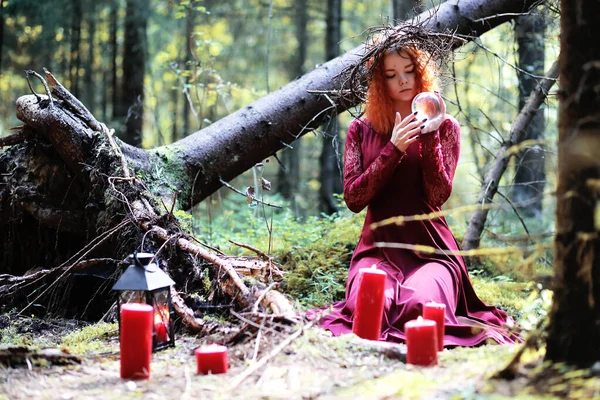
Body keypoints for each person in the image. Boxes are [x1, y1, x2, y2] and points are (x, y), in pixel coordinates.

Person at [317, 44, 520, 346]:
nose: (403, 80)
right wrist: (393, 149)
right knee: (369, 305)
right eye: (391, 74)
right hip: (378, 249)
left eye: (409, 71)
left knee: (421, 306)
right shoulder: (361, 128)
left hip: (432, 252)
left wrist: (430, 135)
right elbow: (354, 200)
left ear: (422, 73)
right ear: (379, 82)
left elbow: (437, 194)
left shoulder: (446, 126)